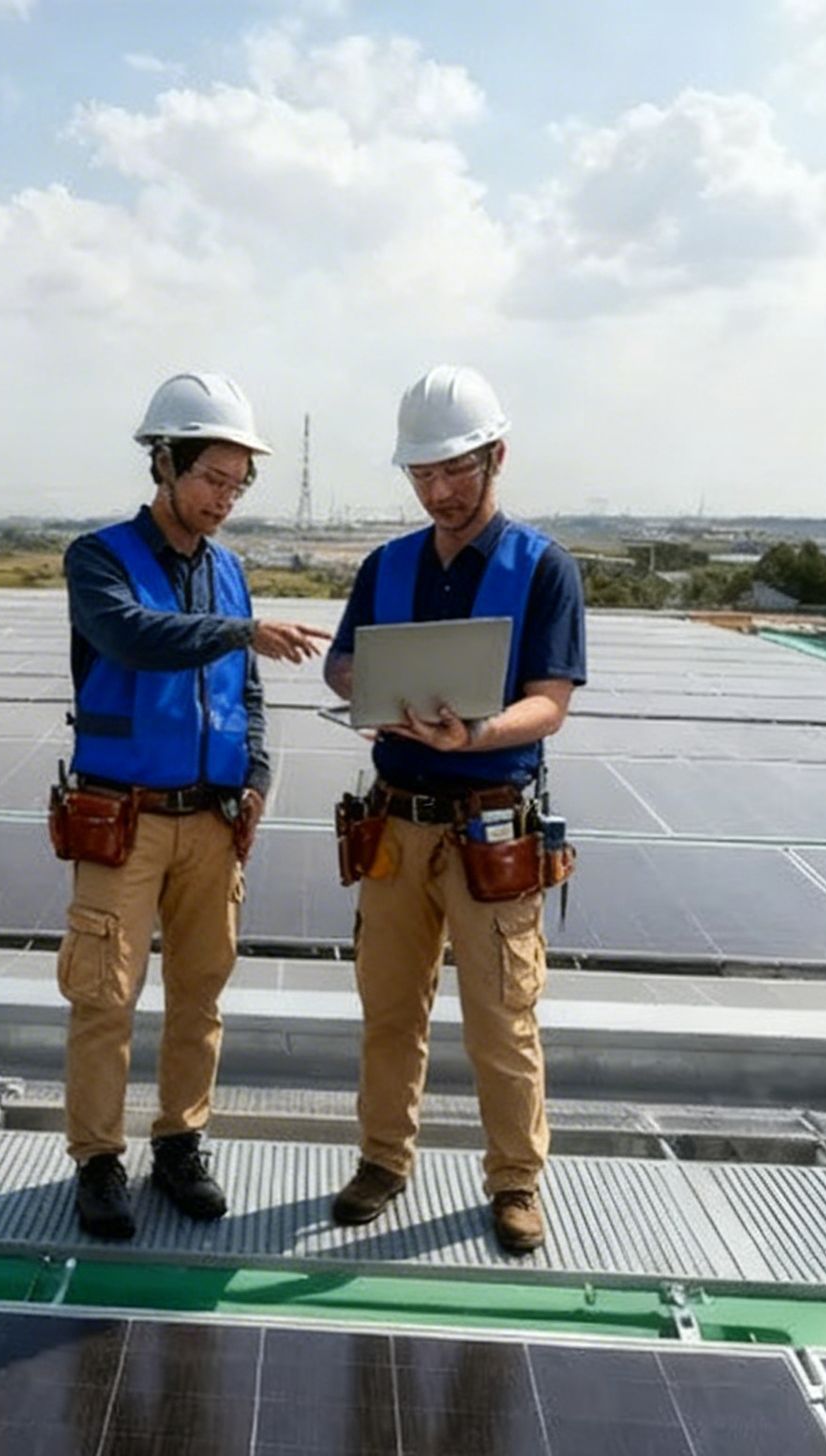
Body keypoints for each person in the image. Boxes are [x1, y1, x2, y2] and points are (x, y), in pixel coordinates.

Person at [57, 372, 327, 1241]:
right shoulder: (97, 559)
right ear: (163, 463)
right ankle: (99, 1161)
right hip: (122, 819)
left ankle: (180, 1143)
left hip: (213, 820)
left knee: (200, 993)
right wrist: (243, 631)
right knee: (106, 994)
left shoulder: (231, 573)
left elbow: (244, 696)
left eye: (239, 485)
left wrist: (254, 777)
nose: (226, 499)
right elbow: (134, 636)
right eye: (213, 478)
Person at [323, 366, 586, 1254]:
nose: (439, 491)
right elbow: (342, 664)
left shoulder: (542, 569)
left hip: (490, 827)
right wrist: (367, 690)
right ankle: (384, 1159)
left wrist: (475, 735)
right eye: (422, 476)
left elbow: (550, 700)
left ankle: (515, 1181)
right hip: (395, 823)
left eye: (456, 472)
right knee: (389, 1006)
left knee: (501, 1018)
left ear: (496, 457)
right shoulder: (385, 566)